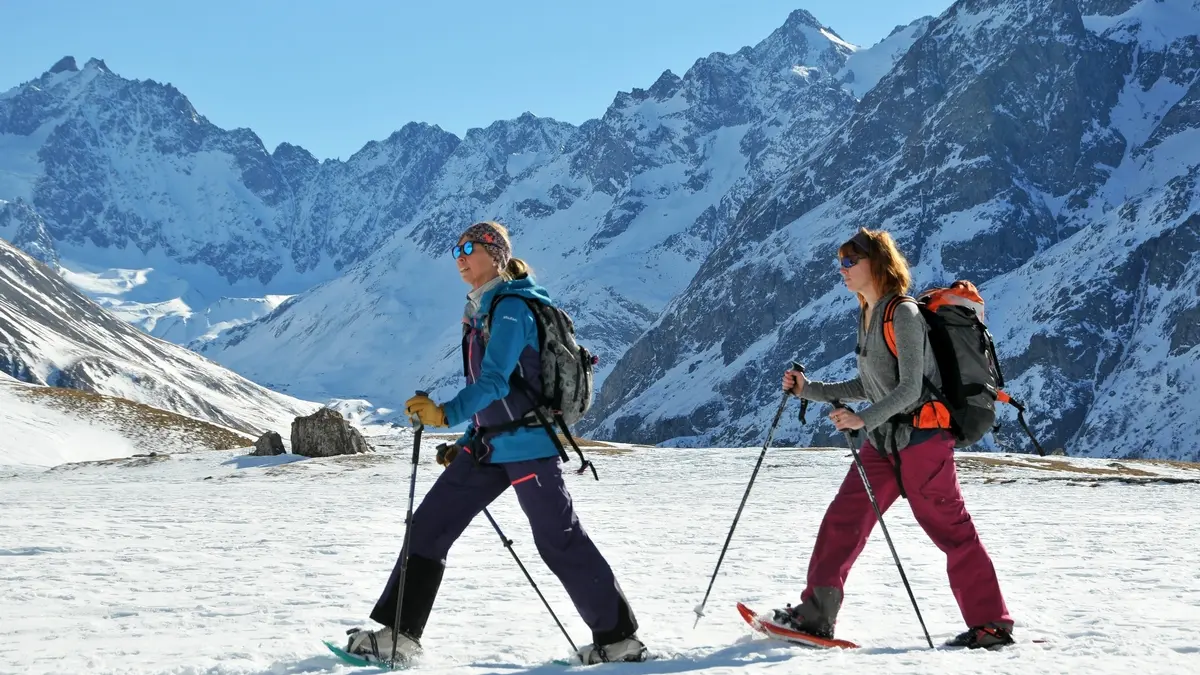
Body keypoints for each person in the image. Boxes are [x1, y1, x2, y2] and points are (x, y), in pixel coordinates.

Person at [343, 220, 647, 665]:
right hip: (488, 445)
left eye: (471, 246)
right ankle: (397, 637)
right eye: (457, 249)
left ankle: (619, 640)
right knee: (428, 527)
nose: (461, 256)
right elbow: (497, 391)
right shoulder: (480, 309)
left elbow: (495, 382)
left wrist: (445, 414)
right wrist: (465, 438)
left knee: (557, 539)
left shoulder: (511, 308)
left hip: (526, 445)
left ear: (497, 254)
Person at [775, 228, 1014, 650]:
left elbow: (909, 388)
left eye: (851, 261)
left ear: (877, 263)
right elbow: (870, 383)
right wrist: (807, 390)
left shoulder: (902, 313)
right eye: (841, 262)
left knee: (953, 533)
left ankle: (991, 625)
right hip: (883, 444)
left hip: (923, 443)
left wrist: (860, 420)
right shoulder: (867, 312)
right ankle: (815, 613)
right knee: (842, 521)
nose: (842, 269)